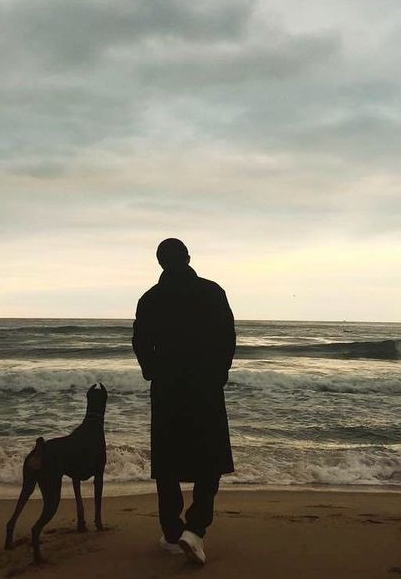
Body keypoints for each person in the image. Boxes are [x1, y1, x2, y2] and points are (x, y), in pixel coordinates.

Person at [132, 238, 236, 565]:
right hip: (205, 386)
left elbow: (140, 341)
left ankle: (172, 530)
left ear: (160, 262)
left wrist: (152, 371)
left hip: (167, 388)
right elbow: (228, 338)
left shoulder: (150, 299)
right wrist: (219, 373)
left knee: (167, 461)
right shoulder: (212, 292)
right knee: (209, 459)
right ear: (188, 258)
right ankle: (195, 529)